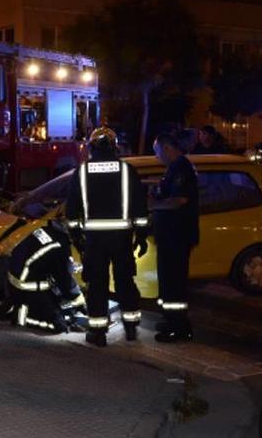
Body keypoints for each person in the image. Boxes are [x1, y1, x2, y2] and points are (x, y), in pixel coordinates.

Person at [65, 127, 149, 347]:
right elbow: (140, 205)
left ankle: (98, 332)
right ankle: (131, 327)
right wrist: (141, 235)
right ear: (115, 147)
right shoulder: (127, 170)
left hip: (94, 240)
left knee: (97, 284)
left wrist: (76, 237)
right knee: (125, 281)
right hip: (122, 238)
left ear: (91, 147)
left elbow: (72, 210)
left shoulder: (81, 172)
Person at [151, 132, 199, 343]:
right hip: (170, 235)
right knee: (168, 282)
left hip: (176, 236)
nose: (157, 156)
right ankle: (171, 320)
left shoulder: (182, 169)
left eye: (157, 152)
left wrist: (152, 206)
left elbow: (179, 200)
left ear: (167, 148)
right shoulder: (174, 168)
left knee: (174, 284)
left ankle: (178, 328)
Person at [0, 220, 86, 333]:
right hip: (26, 287)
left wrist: (69, 267)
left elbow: (43, 258)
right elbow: (65, 280)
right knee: (59, 326)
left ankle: (15, 303)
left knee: (54, 288)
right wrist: (78, 297)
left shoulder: (45, 231)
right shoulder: (59, 247)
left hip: (12, 279)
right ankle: (21, 317)